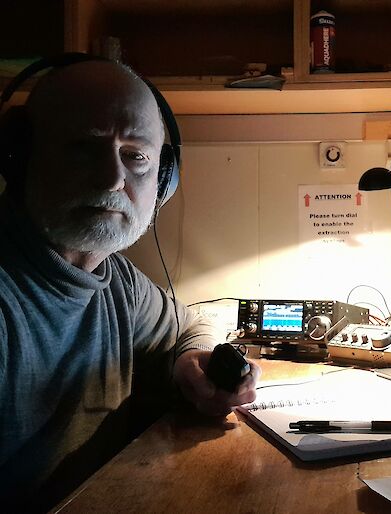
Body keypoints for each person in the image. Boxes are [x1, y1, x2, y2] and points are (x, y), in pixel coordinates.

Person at [0, 58, 261, 511]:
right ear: (18, 155)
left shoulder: (117, 282)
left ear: (163, 179)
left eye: (136, 155)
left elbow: (190, 325)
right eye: (83, 147)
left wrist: (188, 362)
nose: (113, 177)